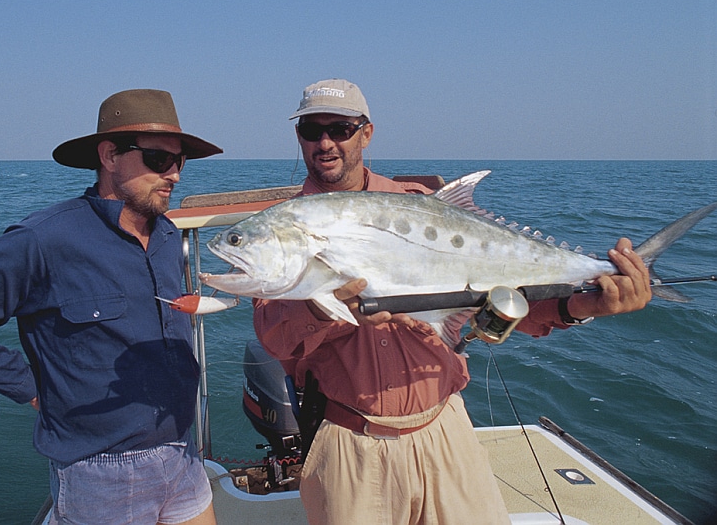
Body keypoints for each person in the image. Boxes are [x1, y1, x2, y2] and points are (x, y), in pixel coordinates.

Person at [252, 78, 653, 525]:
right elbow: (275, 338)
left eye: (340, 128)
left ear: (366, 133)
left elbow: (505, 300)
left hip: (446, 431)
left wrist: (585, 305)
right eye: (311, 130)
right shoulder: (281, 229)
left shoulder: (422, 207)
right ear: (299, 137)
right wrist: (321, 308)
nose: (325, 142)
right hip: (351, 444)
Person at [0, 89, 222, 525]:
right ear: (110, 155)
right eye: (158, 160)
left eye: (179, 162)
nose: (173, 175)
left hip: (182, 452)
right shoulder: (43, 239)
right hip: (100, 471)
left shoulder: (170, 237)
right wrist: (35, 390)